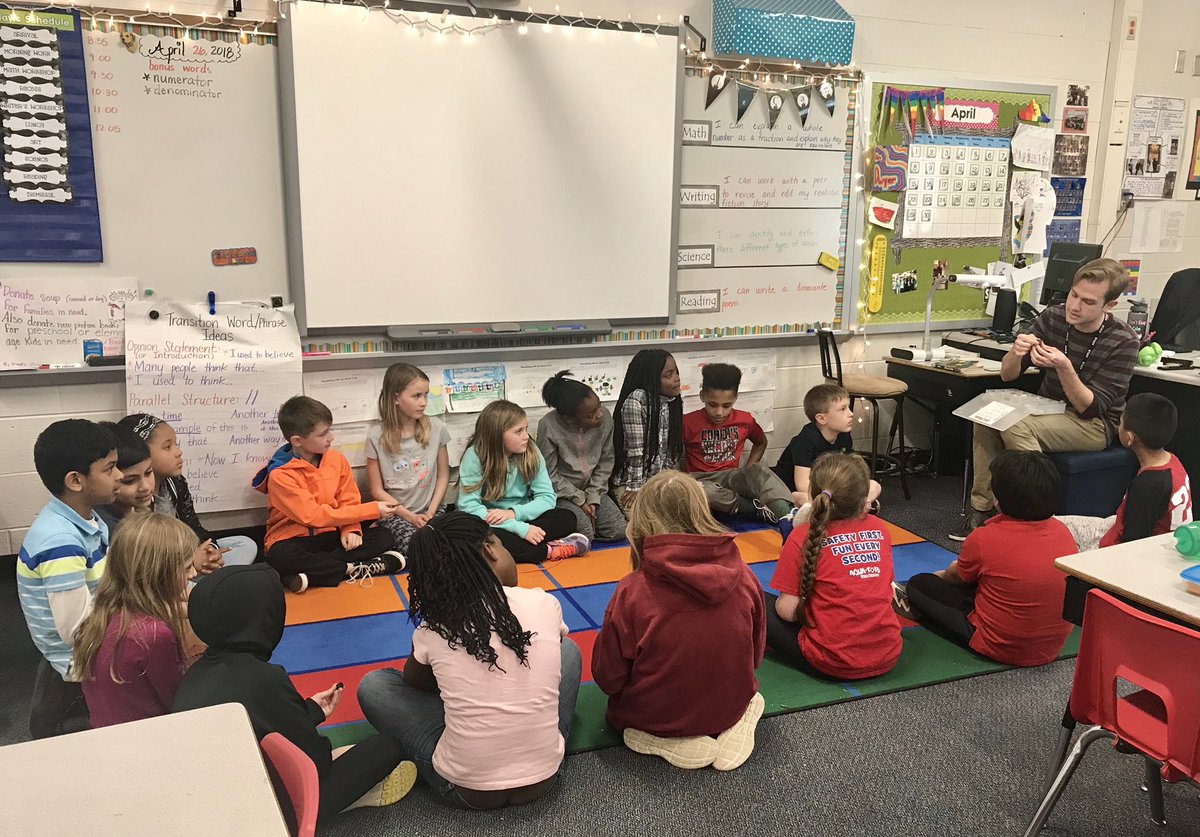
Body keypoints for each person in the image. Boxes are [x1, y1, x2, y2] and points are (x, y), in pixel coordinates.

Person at [357, 511, 581, 809]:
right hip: (544, 777)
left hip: (466, 790)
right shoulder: (543, 602)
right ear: (490, 549)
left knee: (375, 685)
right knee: (568, 650)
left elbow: (415, 682)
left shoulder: (435, 627)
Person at [173, 565, 416, 823]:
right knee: (388, 746)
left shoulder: (193, 675)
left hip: (206, 806)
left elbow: (260, 723)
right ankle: (353, 799)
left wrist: (310, 711)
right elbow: (317, 762)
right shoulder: (262, 678)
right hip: (260, 814)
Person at [954, 259, 1139, 540]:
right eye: (1073, 295)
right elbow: (1007, 375)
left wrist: (1064, 367)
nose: (1075, 306)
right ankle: (982, 510)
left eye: (1088, 302)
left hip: (1094, 424)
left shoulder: (1123, 340)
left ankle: (1034, 518)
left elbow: (1090, 408)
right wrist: (1015, 352)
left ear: (1109, 305)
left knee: (1015, 425)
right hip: (1046, 409)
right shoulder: (1053, 317)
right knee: (988, 415)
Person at [592, 471, 765, 771]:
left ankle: (661, 738)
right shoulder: (745, 575)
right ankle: (735, 721)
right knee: (747, 696)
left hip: (651, 717)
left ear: (641, 521)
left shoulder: (633, 592)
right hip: (729, 706)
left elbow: (608, 677)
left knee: (627, 714)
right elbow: (756, 655)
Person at [899, 451, 1075, 666]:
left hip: (1000, 646)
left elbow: (954, 578)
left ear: (998, 501)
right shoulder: (1063, 531)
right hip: (1050, 648)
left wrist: (939, 576)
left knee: (919, 584)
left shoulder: (985, 537)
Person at [19, 419, 120, 738]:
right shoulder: (60, 542)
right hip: (78, 661)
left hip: (95, 631)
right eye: (110, 469)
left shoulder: (86, 519)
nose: (119, 476)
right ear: (76, 480)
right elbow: (76, 630)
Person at [765, 454, 902, 680]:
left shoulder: (801, 536)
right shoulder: (879, 527)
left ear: (812, 494)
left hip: (830, 661)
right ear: (863, 499)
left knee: (754, 600)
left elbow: (787, 612)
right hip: (887, 655)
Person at [253, 395, 402, 593]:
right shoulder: (280, 475)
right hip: (293, 538)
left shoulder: (336, 459)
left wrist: (351, 529)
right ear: (297, 441)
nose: (331, 437)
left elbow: (348, 499)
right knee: (280, 556)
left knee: (383, 536)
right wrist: (372, 509)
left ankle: (307, 574)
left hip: (331, 532)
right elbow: (313, 516)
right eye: (323, 434)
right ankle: (352, 569)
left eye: (329, 430)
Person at [72, 513, 199, 728]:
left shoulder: (102, 613)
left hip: (106, 729)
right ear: (158, 573)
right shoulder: (154, 635)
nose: (193, 573)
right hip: (147, 735)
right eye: (187, 568)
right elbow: (178, 701)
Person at [120, 414, 260, 569]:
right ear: (142, 454)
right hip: (161, 566)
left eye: (176, 444)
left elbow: (194, 527)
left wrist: (210, 550)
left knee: (245, 544)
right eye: (167, 447)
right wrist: (191, 561)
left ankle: (209, 574)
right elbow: (147, 557)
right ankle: (206, 578)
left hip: (186, 553)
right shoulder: (137, 495)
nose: (178, 452)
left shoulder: (176, 482)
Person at [457, 400, 588, 564]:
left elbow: (547, 497)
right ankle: (548, 550)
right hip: (493, 521)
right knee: (475, 536)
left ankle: (529, 547)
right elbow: (468, 507)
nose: (526, 436)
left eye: (526, 429)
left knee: (567, 518)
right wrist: (519, 528)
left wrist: (514, 513)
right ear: (497, 435)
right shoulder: (475, 456)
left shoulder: (531, 451)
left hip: (524, 515)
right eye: (518, 431)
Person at [1058, 393, 1193, 552]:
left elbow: (1130, 547)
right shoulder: (1172, 461)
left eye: (1120, 423)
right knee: (1057, 524)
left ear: (1129, 438)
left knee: (1052, 535)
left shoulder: (1147, 485)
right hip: (1132, 532)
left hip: (1122, 551)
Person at [682, 363, 798, 526]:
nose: (719, 412)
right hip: (701, 479)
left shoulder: (745, 420)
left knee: (760, 471)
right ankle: (753, 508)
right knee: (704, 491)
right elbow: (672, 455)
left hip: (733, 476)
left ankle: (789, 519)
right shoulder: (687, 422)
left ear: (735, 398)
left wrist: (748, 467)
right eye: (712, 405)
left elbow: (760, 442)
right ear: (702, 397)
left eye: (726, 406)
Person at [365, 363, 451, 566]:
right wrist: (410, 517)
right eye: (416, 396)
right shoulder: (376, 436)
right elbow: (377, 490)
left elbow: (443, 476)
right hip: (396, 514)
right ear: (396, 398)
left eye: (426, 395)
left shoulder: (436, 428)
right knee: (416, 548)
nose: (423, 402)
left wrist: (430, 512)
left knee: (452, 543)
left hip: (432, 510)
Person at [537, 370, 625, 542]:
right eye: (590, 415)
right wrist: (579, 499)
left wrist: (593, 496)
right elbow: (548, 474)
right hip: (562, 494)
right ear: (569, 417)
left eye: (598, 406)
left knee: (618, 530)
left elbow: (606, 460)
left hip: (593, 489)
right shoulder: (548, 425)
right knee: (585, 534)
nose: (599, 414)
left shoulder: (605, 418)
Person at [611, 349, 683, 510]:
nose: (676, 378)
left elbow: (670, 451)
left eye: (676, 372)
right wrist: (635, 487)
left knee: (679, 515)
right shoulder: (636, 401)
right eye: (668, 375)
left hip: (658, 481)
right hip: (631, 482)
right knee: (643, 521)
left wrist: (670, 482)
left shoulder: (671, 401)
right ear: (651, 379)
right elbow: (635, 451)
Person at [95, 422, 157, 535]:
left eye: (148, 473)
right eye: (129, 481)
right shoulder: (109, 529)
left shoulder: (136, 509)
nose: (145, 487)